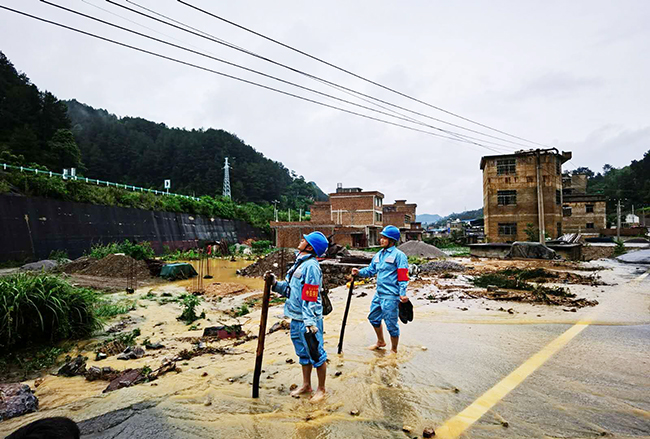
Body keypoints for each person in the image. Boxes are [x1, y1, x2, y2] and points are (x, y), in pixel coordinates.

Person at [265, 231, 329, 402]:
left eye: (304, 240)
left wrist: (309, 322)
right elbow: (289, 289)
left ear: (310, 247)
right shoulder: (299, 263)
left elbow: (310, 296)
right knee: (303, 353)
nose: (301, 241)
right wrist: (274, 284)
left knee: (316, 353)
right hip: (296, 317)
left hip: (309, 321)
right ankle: (306, 385)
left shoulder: (312, 267)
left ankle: (321, 389)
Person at [351, 225, 410, 354]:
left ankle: (394, 351)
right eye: (381, 237)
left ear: (392, 240)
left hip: (391, 296)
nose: (381, 240)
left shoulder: (399, 256)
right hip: (379, 294)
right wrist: (359, 272)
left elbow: (403, 276)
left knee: (391, 325)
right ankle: (381, 342)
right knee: (373, 318)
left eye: (385, 238)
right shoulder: (378, 255)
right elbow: (371, 270)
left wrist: (403, 293)